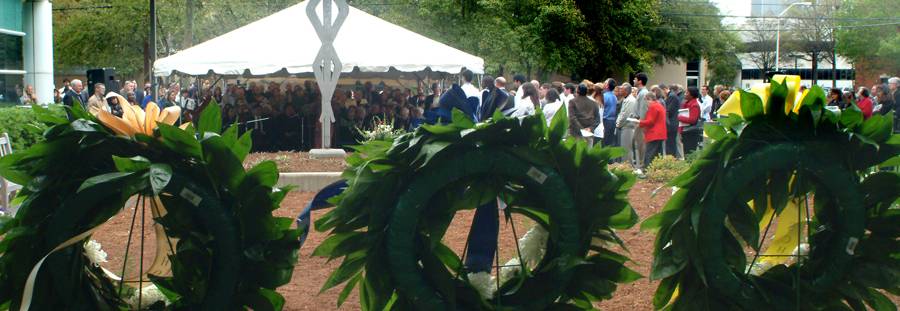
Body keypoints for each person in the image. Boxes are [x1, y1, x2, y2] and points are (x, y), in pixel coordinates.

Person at [638, 91, 667, 168]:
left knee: (649, 153)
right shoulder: (659, 105)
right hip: (660, 133)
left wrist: (639, 122)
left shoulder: (653, 107)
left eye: (646, 100)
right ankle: (656, 170)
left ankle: (647, 170)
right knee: (657, 154)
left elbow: (650, 121)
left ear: (650, 99)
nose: (646, 103)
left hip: (654, 133)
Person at [616, 83, 638, 167]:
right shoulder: (626, 99)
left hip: (628, 127)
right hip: (625, 126)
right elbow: (621, 113)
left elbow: (625, 115)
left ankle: (628, 166)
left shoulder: (630, 100)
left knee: (626, 148)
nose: (619, 91)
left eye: (621, 89)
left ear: (626, 91)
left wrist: (618, 124)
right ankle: (626, 165)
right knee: (624, 147)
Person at [632, 73, 649, 170]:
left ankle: (642, 167)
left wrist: (640, 123)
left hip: (640, 124)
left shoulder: (643, 93)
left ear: (640, 81)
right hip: (638, 122)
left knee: (641, 145)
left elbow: (643, 110)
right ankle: (640, 166)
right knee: (638, 145)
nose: (633, 81)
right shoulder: (640, 92)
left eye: (635, 79)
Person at [678, 87, 702, 155]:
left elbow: (693, 120)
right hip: (686, 132)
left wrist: (679, 117)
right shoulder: (687, 103)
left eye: (687, 93)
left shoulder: (694, 105)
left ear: (692, 95)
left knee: (689, 153)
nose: (685, 94)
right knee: (686, 152)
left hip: (691, 133)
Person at [664, 84, 683, 158]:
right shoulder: (672, 96)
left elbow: (668, 111)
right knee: (671, 144)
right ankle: (673, 158)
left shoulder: (671, 96)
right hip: (672, 123)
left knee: (670, 144)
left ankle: (671, 159)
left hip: (671, 124)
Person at [602, 78, 618, 147]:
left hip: (605, 121)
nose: (603, 83)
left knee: (604, 142)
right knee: (609, 143)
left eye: (605, 82)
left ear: (607, 86)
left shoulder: (604, 96)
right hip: (612, 121)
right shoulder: (615, 96)